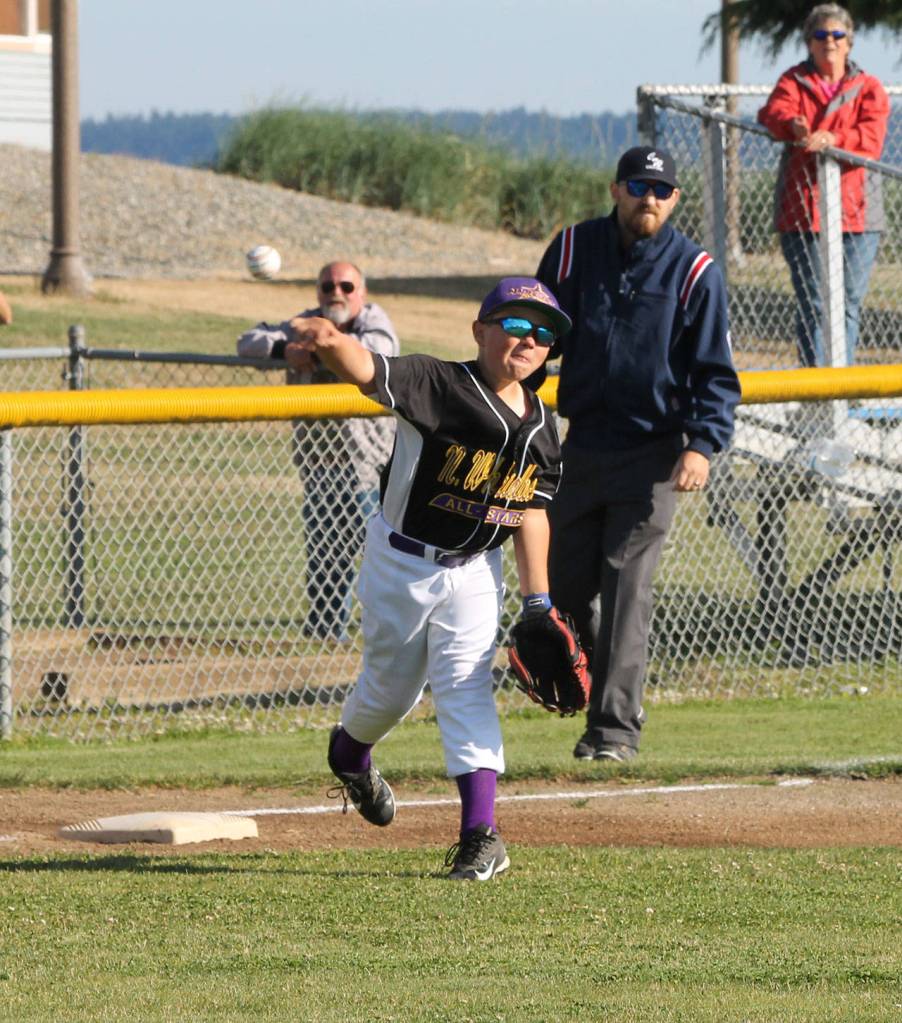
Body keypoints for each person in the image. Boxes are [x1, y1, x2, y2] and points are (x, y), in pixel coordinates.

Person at [296, 277, 570, 881]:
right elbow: (367, 368)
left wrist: (539, 601)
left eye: (544, 334)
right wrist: (327, 337)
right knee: (387, 697)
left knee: (465, 687)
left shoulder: (544, 430)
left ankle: (481, 836)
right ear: (480, 330)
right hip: (402, 563)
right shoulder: (438, 383)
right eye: (516, 324)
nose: (529, 340)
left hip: (476, 572)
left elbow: (531, 512)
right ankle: (349, 756)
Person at [535, 145, 741, 763]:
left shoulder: (694, 269)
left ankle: (614, 731)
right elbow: (531, 334)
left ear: (675, 199)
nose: (648, 197)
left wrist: (702, 445)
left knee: (626, 587)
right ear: (615, 190)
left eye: (660, 189)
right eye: (637, 185)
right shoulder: (573, 249)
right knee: (564, 591)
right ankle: (609, 689)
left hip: (652, 455)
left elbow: (717, 374)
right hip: (582, 448)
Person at [237, 261, 399, 640]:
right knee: (325, 550)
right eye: (328, 287)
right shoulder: (303, 322)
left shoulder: (372, 321)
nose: (336, 294)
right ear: (317, 292)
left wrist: (321, 342)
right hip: (318, 463)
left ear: (362, 292)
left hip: (369, 466)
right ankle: (326, 630)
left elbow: (377, 351)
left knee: (378, 553)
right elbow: (247, 342)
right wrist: (285, 349)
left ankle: (389, 629)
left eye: (346, 286)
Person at [757, 3, 889, 367]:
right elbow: (773, 113)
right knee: (814, 303)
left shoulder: (868, 88)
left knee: (846, 303)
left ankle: (839, 389)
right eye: (820, 35)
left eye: (837, 35)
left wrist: (833, 138)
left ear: (849, 42)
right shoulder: (793, 81)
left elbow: (871, 139)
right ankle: (816, 387)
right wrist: (793, 126)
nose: (829, 42)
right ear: (809, 43)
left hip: (858, 215)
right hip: (803, 212)